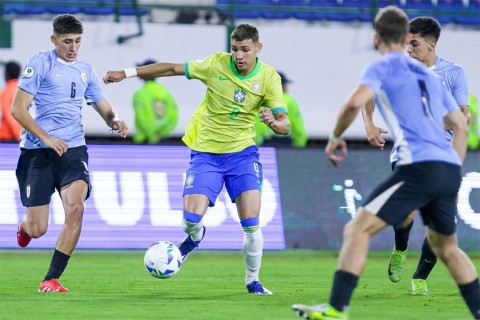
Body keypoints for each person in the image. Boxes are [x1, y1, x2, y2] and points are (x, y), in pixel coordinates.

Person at [292, 6, 480, 319]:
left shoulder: (383, 67)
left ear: (377, 37)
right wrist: (452, 170)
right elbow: (461, 125)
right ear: (405, 37)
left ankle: (337, 309)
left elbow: (354, 100)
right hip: (447, 168)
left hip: (419, 166)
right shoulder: (430, 76)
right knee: (446, 247)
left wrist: (335, 136)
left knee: (357, 230)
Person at [103, 23, 290, 294]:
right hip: (206, 155)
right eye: (235, 49)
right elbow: (172, 68)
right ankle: (194, 237)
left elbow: (285, 125)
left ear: (258, 48)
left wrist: (273, 122)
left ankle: (253, 281)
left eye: (245, 50)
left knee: (251, 224)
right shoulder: (215, 64)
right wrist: (127, 73)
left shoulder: (270, 78)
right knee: (190, 219)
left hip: (242, 155)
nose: (239, 55)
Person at [11, 14, 128, 293]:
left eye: (77, 41)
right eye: (67, 41)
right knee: (38, 228)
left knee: (75, 208)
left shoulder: (85, 69)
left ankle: (51, 278)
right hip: (38, 151)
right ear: (54, 40)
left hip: (73, 149)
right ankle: (26, 226)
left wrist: (114, 120)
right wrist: (47, 138)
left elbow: (103, 106)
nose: (73, 47)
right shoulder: (40, 64)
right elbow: (18, 109)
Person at [362, 16, 471, 296]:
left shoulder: (453, 73)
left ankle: (420, 276)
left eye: (415, 44)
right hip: (408, 151)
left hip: (444, 154)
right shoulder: (397, 69)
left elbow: (464, 116)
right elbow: (367, 95)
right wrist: (370, 124)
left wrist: (429, 122)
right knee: (407, 212)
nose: (408, 49)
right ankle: (400, 247)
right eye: (406, 42)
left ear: (431, 45)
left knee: (440, 228)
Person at [254, 71, 308, 147]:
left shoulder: (261, 101)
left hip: (265, 145)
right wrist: (299, 146)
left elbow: (256, 126)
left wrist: (256, 145)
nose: (287, 87)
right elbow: (298, 127)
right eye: (285, 84)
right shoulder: (289, 101)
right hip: (287, 144)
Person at [132, 59, 179, 144]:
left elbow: (141, 119)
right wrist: (162, 133)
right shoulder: (167, 93)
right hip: (162, 140)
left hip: (144, 140)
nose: (139, 72)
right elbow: (174, 119)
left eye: (141, 70)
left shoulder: (140, 94)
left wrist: (152, 137)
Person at [0, 61, 22, 142]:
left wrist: (18, 136)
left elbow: (10, 115)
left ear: (6, 73)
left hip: (10, 138)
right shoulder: (22, 89)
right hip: (21, 135)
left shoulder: (7, 92)